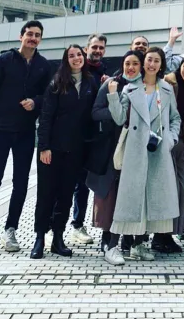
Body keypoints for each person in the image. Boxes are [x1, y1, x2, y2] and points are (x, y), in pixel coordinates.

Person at [0, 20, 50, 255]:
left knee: (21, 183)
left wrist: (35, 102)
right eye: (29, 34)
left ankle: (11, 229)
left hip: (26, 133)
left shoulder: (43, 65)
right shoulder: (4, 61)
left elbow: (47, 97)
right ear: (21, 37)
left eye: (37, 35)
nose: (33, 38)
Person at [105, 47, 181, 264]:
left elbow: (175, 118)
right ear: (143, 62)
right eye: (149, 59)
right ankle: (112, 247)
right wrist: (112, 95)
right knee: (127, 199)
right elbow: (119, 119)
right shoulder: (130, 88)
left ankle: (138, 245)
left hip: (158, 152)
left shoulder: (166, 89)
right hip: (135, 151)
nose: (152, 64)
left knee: (149, 199)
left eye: (157, 61)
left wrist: (170, 140)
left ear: (161, 65)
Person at [31, 45, 98, 259]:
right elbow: (46, 117)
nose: (76, 58)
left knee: (65, 196)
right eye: (71, 56)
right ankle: (40, 237)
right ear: (66, 60)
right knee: (46, 194)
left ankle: (58, 238)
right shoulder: (56, 82)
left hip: (75, 150)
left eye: (79, 55)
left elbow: (91, 117)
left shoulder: (90, 83)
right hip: (52, 150)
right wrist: (44, 147)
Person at [87, 50, 144, 261]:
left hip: (137, 148)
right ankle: (108, 238)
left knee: (131, 193)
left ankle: (131, 240)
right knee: (110, 193)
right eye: (127, 63)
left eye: (135, 64)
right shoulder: (112, 83)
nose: (131, 67)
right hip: (112, 147)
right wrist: (116, 111)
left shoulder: (145, 86)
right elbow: (95, 112)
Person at [155, 54, 184, 251]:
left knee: (183, 190)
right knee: (166, 189)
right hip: (167, 142)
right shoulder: (168, 84)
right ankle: (160, 235)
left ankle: (170, 233)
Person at [68, 33, 110, 247]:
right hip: (72, 135)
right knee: (68, 182)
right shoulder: (77, 70)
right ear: (87, 48)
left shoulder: (105, 73)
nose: (98, 51)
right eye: (95, 47)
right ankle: (53, 226)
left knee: (85, 183)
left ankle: (77, 225)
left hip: (94, 136)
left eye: (101, 48)